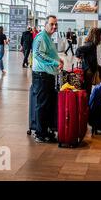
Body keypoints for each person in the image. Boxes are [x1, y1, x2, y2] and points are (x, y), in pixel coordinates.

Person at [32, 15, 64, 143]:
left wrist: (58, 59)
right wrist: (55, 63)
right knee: (42, 105)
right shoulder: (41, 37)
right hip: (41, 76)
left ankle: (46, 131)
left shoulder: (48, 37)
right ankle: (40, 134)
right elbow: (38, 55)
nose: (54, 27)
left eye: (56, 24)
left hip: (48, 76)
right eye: (51, 24)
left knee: (48, 105)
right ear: (45, 24)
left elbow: (48, 53)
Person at [75, 27, 101, 95]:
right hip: (88, 70)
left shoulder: (91, 44)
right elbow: (78, 50)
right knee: (87, 89)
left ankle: (86, 103)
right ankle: (86, 104)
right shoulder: (91, 45)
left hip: (88, 69)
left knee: (87, 88)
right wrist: (78, 57)